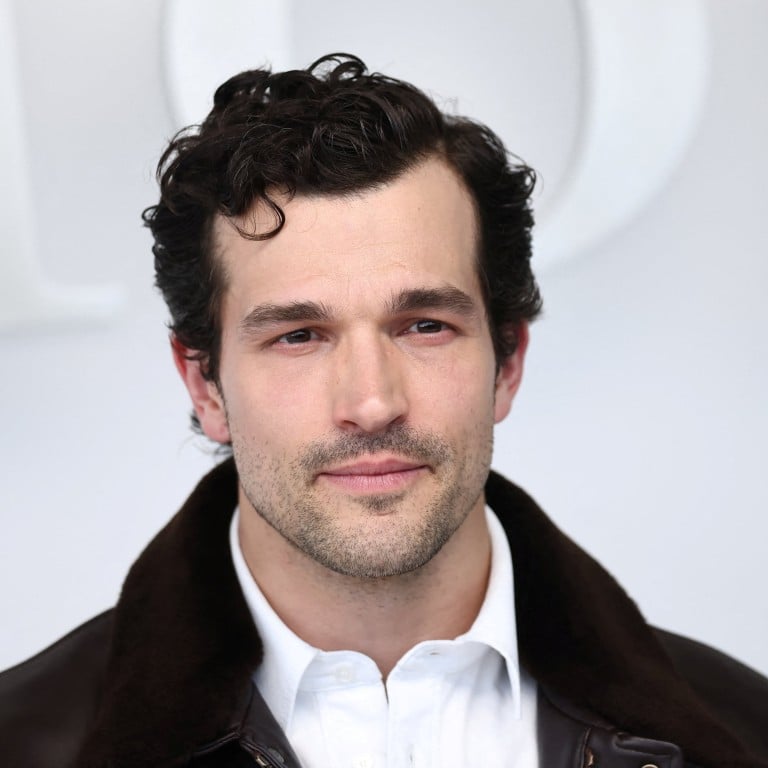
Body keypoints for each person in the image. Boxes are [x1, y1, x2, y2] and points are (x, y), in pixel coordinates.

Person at [1, 53, 766, 768]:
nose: (372, 403)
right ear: (204, 385)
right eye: (299, 335)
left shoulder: (741, 728)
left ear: (508, 362)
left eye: (425, 326)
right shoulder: (28, 738)